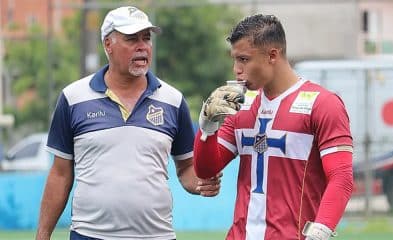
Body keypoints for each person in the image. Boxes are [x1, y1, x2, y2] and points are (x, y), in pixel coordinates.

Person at [36, 6, 221, 240]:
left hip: (156, 236)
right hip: (89, 235)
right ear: (108, 45)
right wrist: (42, 236)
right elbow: (60, 174)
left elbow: (186, 168)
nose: (142, 45)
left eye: (146, 38)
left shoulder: (173, 100)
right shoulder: (73, 98)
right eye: (132, 39)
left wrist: (201, 183)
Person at [194, 14, 353, 240]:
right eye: (235, 60)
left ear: (272, 55)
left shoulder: (323, 103)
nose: (236, 69)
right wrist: (207, 127)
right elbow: (206, 170)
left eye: (244, 59)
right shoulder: (241, 106)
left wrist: (321, 231)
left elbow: (341, 177)